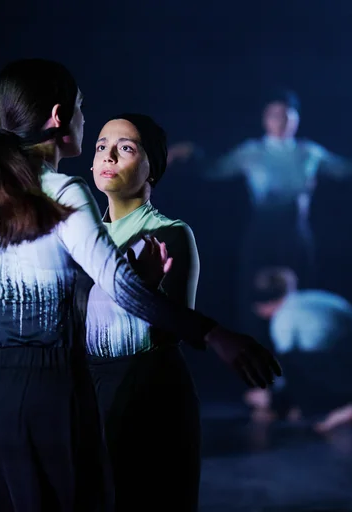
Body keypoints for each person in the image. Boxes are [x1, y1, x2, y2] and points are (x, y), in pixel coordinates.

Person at [0, 59, 282, 512]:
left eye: (126, 148)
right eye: (82, 112)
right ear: (59, 117)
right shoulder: (65, 191)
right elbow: (120, 289)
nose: (95, 136)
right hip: (47, 393)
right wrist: (215, 334)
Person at [167, 89, 352, 346]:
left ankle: (295, 362)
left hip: (295, 234)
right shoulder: (251, 152)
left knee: (301, 295)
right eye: (275, 115)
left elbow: (345, 170)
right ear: (265, 119)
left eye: (287, 116)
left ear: (296, 119)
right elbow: (214, 169)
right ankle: (256, 369)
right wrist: (191, 153)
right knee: (253, 298)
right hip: (262, 233)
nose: (281, 122)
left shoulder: (309, 152)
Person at [78, 113, 203, 511]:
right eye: (101, 147)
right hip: (87, 387)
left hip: (149, 389)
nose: (108, 155)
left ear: (153, 168)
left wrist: (142, 289)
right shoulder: (77, 239)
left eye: (125, 148)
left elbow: (176, 326)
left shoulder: (170, 233)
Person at [244, 266, 352, 434]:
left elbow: (286, 366)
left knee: (293, 364)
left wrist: (272, 398)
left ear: (264, 305)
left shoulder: (283, 317)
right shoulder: (313, 298)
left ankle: (335, 408)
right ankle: (346, 406)